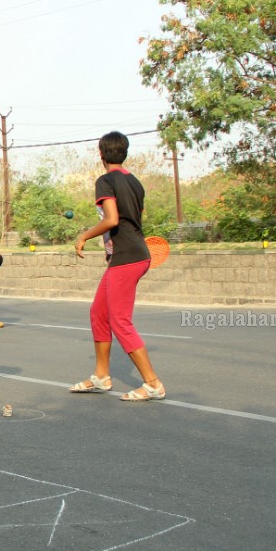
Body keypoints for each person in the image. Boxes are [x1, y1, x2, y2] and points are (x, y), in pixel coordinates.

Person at [70, 130, 166, 401]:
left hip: (128, 257)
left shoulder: (106, 181)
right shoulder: (134, 182)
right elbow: (131, 220)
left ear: (101, 153)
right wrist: (110, 248)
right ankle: (101, 376)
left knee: (120, 321)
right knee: (99, 313)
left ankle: (152, 384)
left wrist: (84, 236)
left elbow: (112, 219)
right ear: (124, 152)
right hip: (132, 253)